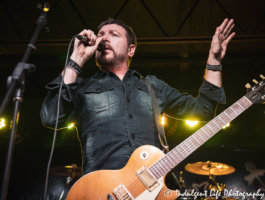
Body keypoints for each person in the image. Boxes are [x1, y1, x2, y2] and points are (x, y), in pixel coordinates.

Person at [40, 18, 234, 186]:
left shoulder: (152, 86)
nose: (104, 38)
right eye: (100, 34)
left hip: (152, 189)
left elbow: (205, 110)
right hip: (103, 190)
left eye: (114, 34)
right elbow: (50, 117)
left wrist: (214, 60)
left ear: (131, 50)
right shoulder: (81, 87)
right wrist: (76, 60)